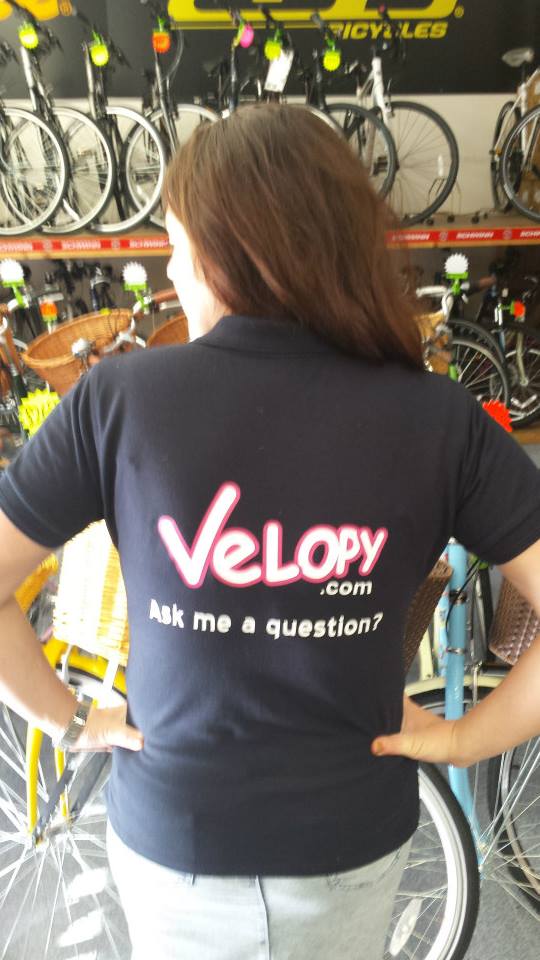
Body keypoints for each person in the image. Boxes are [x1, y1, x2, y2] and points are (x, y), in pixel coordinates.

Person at [0, 103, 540, 960]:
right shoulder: (437, 418)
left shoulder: (120, 401)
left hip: (175, 832)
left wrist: (70, 723)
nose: (171, 272)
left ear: (223, 249)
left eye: (175, 244)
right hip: (348, 841)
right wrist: (462, 739)